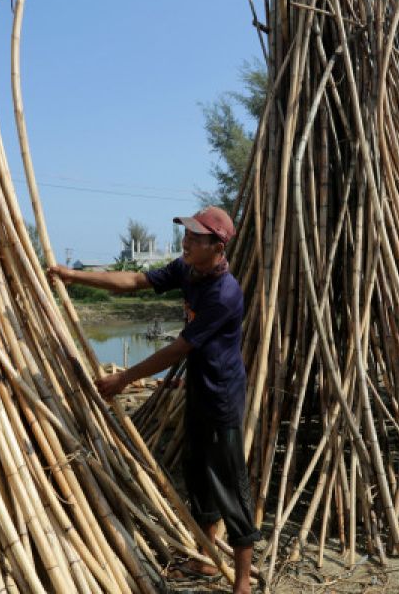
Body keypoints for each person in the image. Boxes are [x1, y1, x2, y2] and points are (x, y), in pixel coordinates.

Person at [49, 206, 257, 593]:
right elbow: (135, 279)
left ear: (218, 246)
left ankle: (242, 582)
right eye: (187, 235)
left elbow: (178, 348)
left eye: (196, 237)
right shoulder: (187, 269)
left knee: (230, 484)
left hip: (223, 399)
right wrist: (72, 274)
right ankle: (206, 558)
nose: (187, 242)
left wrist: (125, 377)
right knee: (196, 475)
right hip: (199, 391)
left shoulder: (224, 294)